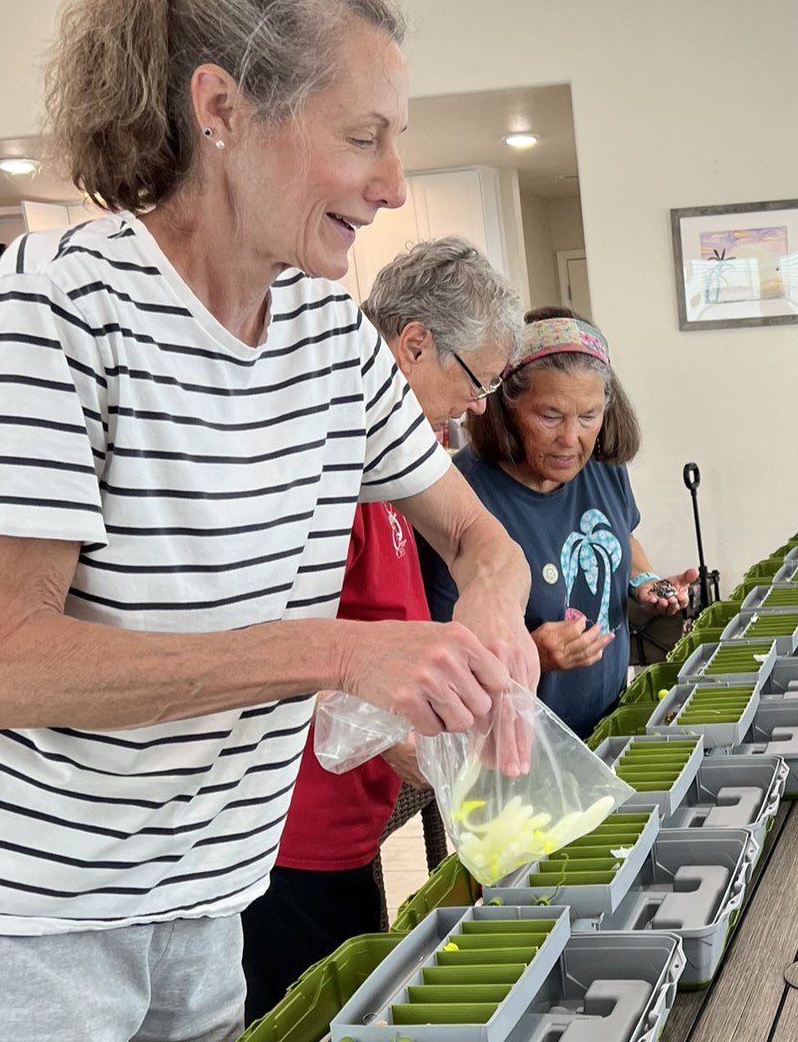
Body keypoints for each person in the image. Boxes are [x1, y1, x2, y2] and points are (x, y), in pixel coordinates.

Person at [0, 0, 538, 1040]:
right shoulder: (57, 314)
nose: (391, 185)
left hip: (210, 899)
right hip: (37, 930)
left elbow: (484, 542)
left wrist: (491, 629)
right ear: (222, 107)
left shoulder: (333, 337)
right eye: (361, 137)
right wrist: (337, 648)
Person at [241, 238, 522, 1020]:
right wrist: (421, 743)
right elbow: (273, 658)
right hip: (290, 839)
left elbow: (476, 558)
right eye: (475, 382)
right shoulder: (321, 472)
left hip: (351, 827)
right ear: (414, 344)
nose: (477, 408)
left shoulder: (398, 469)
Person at [422, 309, 698, 737]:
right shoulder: (460, 499)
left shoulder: (602, 467)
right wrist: (534, 653)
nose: (571, 439)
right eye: (550, 417)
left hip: (610, 720)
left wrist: (643, 580)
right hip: (520, 749)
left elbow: (620, 533)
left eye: (588, 416)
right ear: (506, 408)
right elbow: (446, 661)